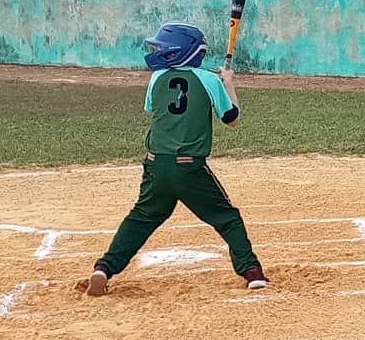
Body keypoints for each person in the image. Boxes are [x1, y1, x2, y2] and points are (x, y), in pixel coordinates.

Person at [86, 22, 269, 296]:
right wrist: (228, 84)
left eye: (164, 47)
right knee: (227, 218)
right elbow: (232, 119)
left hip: (155, 164)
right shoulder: (208, 79)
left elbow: (158, 108)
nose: (159, 51)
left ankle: (105, 267)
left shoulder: (157, 79)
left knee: (141, 217)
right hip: (189, 167)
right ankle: (251, 271)